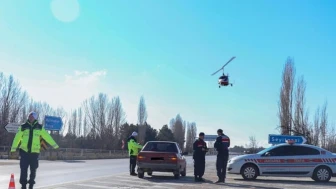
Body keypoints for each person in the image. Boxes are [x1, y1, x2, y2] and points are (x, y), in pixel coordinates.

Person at [10, 111, 59, 189]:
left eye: (32, 116)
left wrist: (55, 146)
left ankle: (31, 185)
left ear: (35, 118)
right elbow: (17, 138)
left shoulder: (39, 127)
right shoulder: (23, 126)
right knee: (23, 169)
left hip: (34, 153)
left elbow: (47, 137)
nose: (30, 117)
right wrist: (13, 149)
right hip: (24, 152)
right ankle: (23, 186)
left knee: (33, 169)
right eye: (29, 116)